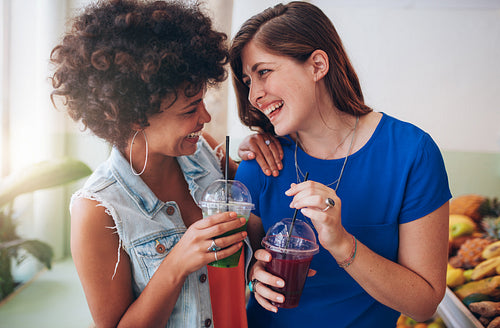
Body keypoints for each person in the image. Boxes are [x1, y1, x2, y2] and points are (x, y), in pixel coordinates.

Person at [49, 1, 281, 327]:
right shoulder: (98, 211)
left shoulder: (204, 152)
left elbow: (255, 203)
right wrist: (176, 263)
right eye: (189, 110)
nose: (206, 118)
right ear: (132, 118)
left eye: (202, 101)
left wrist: (255, 150)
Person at [230, 2, 451, 327]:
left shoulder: (412, 154)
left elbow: (424, 304)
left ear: (317, 65)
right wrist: (252, 271)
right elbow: (234, 265)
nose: (253, 96)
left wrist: (341, 242)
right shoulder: (262, 162)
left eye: (263, 72)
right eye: (249, 81)